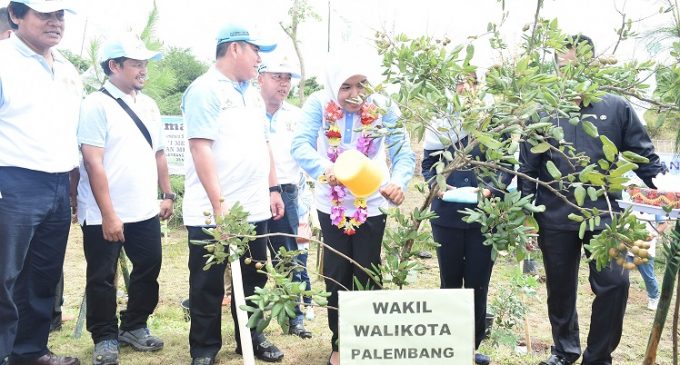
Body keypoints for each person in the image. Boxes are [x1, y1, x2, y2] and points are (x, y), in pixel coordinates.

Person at [518, 34, 667, 365]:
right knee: (560, 289)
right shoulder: (542, 113)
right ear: (555, 68)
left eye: (576, 64)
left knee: (616, 284)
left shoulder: (616, 107)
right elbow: (527, 168)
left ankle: (598, 358)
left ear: (591, 64)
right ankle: (564, 350)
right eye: (561, 65)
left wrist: (666, 191)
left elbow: (645, 158)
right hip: (554, 216)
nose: (568, 71)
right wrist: (526, 216)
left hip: (605, 214)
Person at [290, 55, 416, 365]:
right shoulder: (319, 105)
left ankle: (367, 344)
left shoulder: (384, 107)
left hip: (371, 205)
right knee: (336, 275)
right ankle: (340, 345)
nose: (355, 94)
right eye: (346, 86)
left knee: (367, 273)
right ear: (334, 85)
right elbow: (300, 146)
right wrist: (325, 167)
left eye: (362, 85)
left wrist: (398, 183)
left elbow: (403, 153)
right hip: (330, 204)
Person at [181, 22, 285, 365]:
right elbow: (200, 149)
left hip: (254, 207)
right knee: (207, 283)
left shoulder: (252, 93)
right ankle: (205, 348)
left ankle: (251, 338)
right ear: (235, 48)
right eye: (257, 51)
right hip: (213, 211)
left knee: (256, 276)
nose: (260, 60)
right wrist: (220, 206)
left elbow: (263, 144)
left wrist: (273, 188)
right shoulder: (205, 90)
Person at [76, 33, 172, 365]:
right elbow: (93, 161)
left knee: (149, 266)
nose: (144, 69)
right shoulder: (95, 105)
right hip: (104, 212)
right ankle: (104, 336)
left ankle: (134, 325)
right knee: (102, 276)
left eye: (145, 63)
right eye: (136, 63)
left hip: (144, 209)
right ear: (114, 66)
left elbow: (158, 152)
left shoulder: (149, 105)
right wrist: (109, 215)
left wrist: (167, 193)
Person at [0, 1, 82, 364]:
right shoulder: (3, 60)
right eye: (45, 14)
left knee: (42, 275)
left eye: (60, 15)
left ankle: (29, 352)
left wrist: (72, 187)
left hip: (57, 185)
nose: (55, 22)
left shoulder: (67, 69)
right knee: (4, 277)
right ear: (16, 16)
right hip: (12, 182)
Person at [421, 72, 509, 365]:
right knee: (449, 282)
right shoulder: (440, 123)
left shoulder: (493, 121)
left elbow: (507, 164)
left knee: (477, 283)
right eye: (457, 80)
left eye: (470, 81)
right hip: (446, 216)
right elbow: (428, 164)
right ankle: (448, 346)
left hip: (484, 217)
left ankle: (470, 347)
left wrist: (490, 189)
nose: (463, 87)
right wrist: (439, 187)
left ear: (479, 85)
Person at [257, 53, 312, 339]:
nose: (283, 84)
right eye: (277, 77)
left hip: (288, 194)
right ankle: (253, 322)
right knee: (251, 259)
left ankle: (294, 318)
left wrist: (304, 211)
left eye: (288, 78)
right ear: (260, 78)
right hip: (252, 192)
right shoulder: (247, 111)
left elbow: (304, 166)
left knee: (290, 258)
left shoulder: (297, 116)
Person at [628, 212, 667, 311]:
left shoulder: (653, 202)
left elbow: (663, 224)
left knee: (648, 276)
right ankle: (620, 298)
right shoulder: (628, 199)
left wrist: (653, 234)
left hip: (645, 250)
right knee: (621, 275)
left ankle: (654, 297)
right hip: (627, 247)